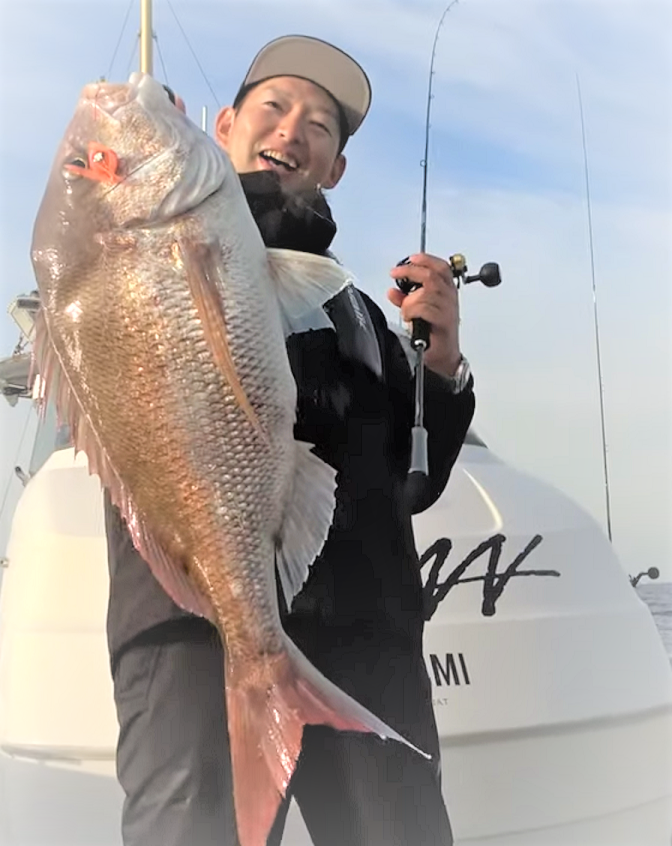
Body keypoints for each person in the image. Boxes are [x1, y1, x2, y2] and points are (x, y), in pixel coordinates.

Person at [104, 35, 475, 846]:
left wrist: (440, 371)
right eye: (274, 106)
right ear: (224, 124)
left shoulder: (360, 315)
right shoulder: (148, 248)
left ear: (335, 168)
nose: (294, 129)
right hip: (191, 633)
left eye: (321, 126)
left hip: (365, 649)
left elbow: (408, 485)